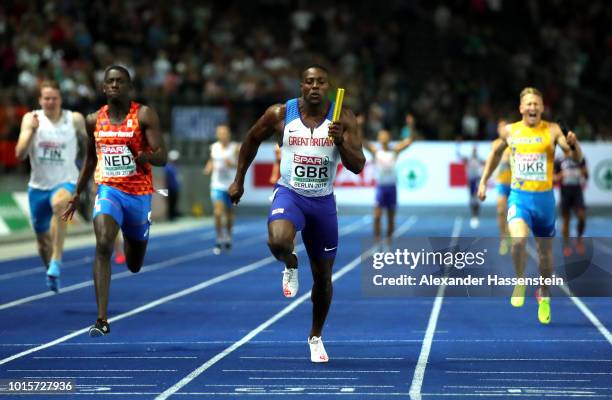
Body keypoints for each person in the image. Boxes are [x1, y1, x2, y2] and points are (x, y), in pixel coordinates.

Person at [228, 65, 365, 362]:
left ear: (328, 86)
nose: (314, 86)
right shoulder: (281, 114)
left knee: (323, 278)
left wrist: (340, 141)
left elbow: (358, 165)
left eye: (321, 81)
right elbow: (251, 139)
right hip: (290, 194)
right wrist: (238, 179)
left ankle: (316, 336)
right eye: (309, 81)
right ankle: (290, 262)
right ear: (301, 85)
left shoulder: (343, 117)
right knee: (278, 241)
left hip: (323, 202)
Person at [63, 65, 167, 336]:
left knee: (134, 264)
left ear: (129, 87)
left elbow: (162, 156)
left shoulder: (143, 114)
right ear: (103, 87)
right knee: (104, 243)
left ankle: (136, 242)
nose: (115, 85)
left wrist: (147, 156)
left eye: (120, 81)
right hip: (109, 190)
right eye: (110, 81)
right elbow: (91, 158)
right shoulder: (93, 119)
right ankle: (101, 319)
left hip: (139, 196)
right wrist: (76, 193)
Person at [478, 87, 583, 325]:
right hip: (519, 198)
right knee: (518, 240)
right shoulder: (511, 131)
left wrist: (574, 144)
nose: (533, 107)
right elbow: (495, 154)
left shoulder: (553, 130)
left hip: (544, 201)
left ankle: (543, 294)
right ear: (521, 108)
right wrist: (484, 181)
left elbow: (576, 158)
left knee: (546, 257)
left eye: (537, 103)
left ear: (542, 107)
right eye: (529, 104)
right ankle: (519, 280)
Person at [15, 80, 88, 293]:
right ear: (40, 100)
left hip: (66, 181)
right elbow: (19, 154)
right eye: (46, 98)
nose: (50, 102)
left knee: (60, 204)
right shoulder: (31, 118)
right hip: (38, 187)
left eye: (54, 98)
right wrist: (30, 132)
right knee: (42, 244)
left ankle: (57, 260)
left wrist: (93, 164)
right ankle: (50, 268)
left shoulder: (73, 119)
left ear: (60, 100)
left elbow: (90, 142)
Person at [362, 129, 413, 247]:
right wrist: (359, 126)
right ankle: (377, 241)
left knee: (390, 218)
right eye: (381, 136)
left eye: (385, 135)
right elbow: (362, 141)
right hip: (381, 188)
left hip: (392, 188)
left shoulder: (395, 151)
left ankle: (388, 243)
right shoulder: (376, 151)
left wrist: (411, 126)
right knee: (377, 217)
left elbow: (409, 141)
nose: (383, 138)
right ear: (379, 139)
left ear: (389, 138)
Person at [203, 124, 240, 255]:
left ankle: (228, 236)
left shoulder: (235, 147)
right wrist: (208, 168)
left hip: (230, 186)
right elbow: (211, 161)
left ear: (229, 134)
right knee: (218, 212)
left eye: (224, 133)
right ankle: (219, 238)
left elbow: (241, 164)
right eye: (220, 133)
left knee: (229, 214)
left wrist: (232, 164)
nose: (222, 135)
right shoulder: (214, 147)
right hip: (217, 184)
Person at [554, 151, 588, 256]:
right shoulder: (559, 160)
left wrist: (581, 172)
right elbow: (553, 178)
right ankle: (566, 244)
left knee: (582, 217)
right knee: (566, 220)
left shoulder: (580, 158)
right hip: (565, 192)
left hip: (577, 192)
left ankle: (579, 239)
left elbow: (586, 175)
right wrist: (562, 174)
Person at [493, 119, 512, 255]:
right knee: (500, 210)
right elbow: (492, 162)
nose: (502, 130)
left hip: (515, 184)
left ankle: (512, 235)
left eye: (504, 128)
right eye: (500, 128)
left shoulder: (515, 143)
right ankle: (503, 239)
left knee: (513, 214)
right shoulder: (494, 144)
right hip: (501, 183)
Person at [457, 142, 484, 229]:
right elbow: (459, 156)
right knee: (471, 198)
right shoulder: (468, 159)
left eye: (475, 150)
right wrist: (458, 146)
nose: (474, 151)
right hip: (471, 180)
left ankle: (476, 215)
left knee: (477, 198)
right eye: (473, 150)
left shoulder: (479, 159)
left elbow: (488, 163)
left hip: (477, 180)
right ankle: (473, 216)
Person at [165, 149, 181, 221]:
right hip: (170, 187)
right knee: (171, 201)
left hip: (175, 187)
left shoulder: (175, 167)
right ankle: (170, 216)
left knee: (174, 201)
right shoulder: (168, 167)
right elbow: (166, 178)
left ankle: (173, 214)